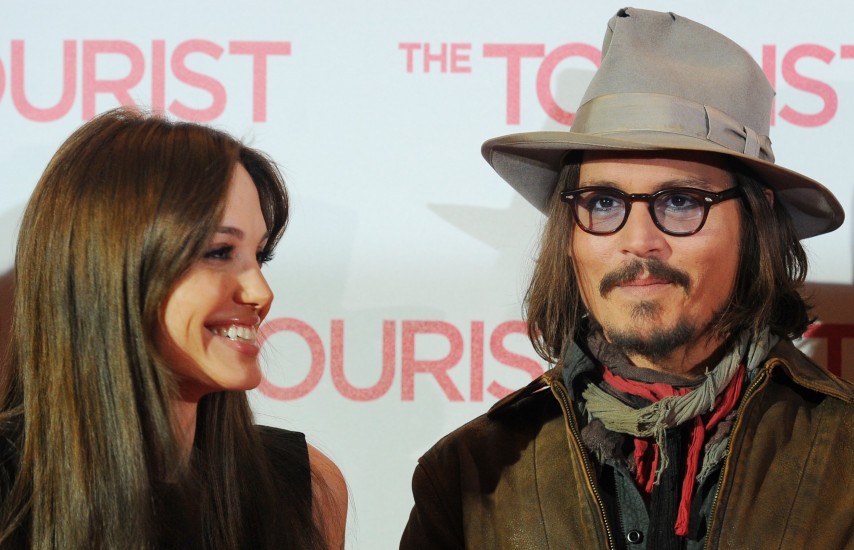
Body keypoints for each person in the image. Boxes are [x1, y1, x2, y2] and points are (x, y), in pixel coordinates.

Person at [401, 7, 854, 549]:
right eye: (604, 202)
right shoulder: (468, 474)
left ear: (755, 225)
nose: (638, 240)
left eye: (682, 201)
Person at [0, 107, 347, 549]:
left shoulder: (305, 488)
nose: (260, 292)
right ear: (111, 269)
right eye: (220, 252)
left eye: (260, 256)